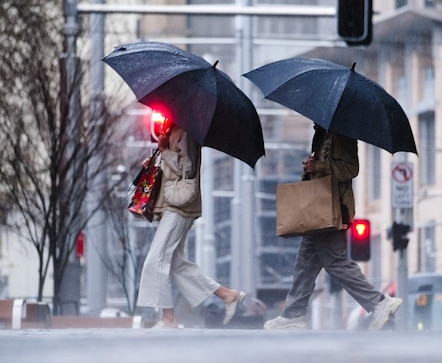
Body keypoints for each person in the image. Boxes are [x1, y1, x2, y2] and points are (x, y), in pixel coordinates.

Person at [264, 124, 402, 331]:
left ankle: (379, 302)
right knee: (305, 263)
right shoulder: (322, 132)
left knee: (334, 261)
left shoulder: (342, 133)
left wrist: (319, 166)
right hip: (319, 208)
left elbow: (350, 169)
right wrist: (312, 166)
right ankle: (294, 313)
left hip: (332, 208)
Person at [137, 120, 245, 329]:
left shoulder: (187, 131)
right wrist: (156, 159)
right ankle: (227, 295)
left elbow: (188, 167)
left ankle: (169, 319)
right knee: (177, 264)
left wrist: (164, 151)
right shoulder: (172, 131)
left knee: (155, 259)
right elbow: (171, 167)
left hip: (179, 205)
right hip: (171, 203)